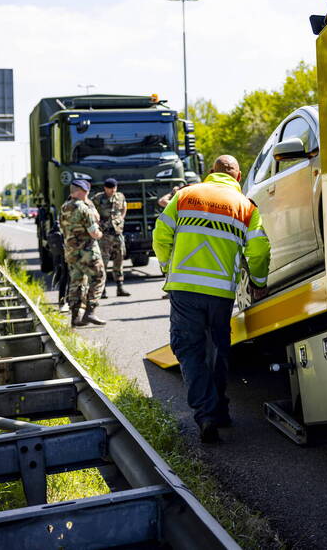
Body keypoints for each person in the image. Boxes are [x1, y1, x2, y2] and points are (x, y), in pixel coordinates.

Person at [152, 155, 270, 443]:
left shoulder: (185, 196)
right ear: (238, 176)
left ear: (211, 173)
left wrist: (168, 266)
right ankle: (218, 410)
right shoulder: (246, 207)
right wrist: (258, 282)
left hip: (184, 289)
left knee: (190, 351)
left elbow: (160, 235)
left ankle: (206, 415)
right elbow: (259, 250)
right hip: (220, 294)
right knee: (217, 351)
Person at [60, 178, 108, 327]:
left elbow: (63, 228)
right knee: (99, 277)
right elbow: (94, 233)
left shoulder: (64, 207)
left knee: (77, 282)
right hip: (87, 252)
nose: (87, 194)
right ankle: (90, 312)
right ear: (81, 191)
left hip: (71, 252)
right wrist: (101, 234)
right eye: (86, 192)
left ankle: (75, 317)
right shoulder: (84, 208)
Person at [91, 178, 130, 299]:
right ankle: (102, 290)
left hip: (117, 233)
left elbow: (124, 207)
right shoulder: (98, 198)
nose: (112, 190)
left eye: (114, 188)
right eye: (110, 188)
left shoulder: (120, 196)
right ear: (105, 188)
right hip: (105, 234)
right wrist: (99, 224)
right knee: (103, 262)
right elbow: (92, 212)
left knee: (119, 259)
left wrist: (121, 219)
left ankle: (120, 287)